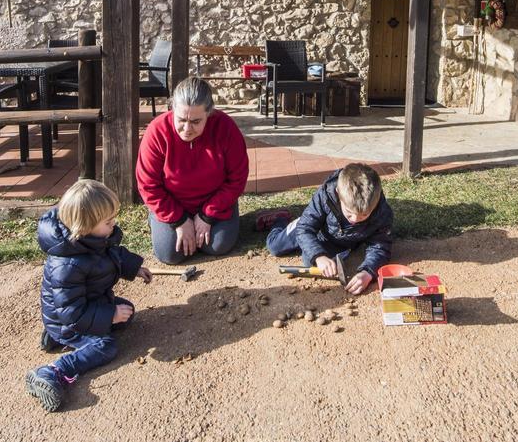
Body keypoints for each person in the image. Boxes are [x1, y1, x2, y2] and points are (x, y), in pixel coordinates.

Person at [27, 180, 152, 413]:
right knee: (106, 346)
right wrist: (109, 315)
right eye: (108, 221)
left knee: (127, 312)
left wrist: (133, 268)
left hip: (87, 304)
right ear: (84, 226)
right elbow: (72, 313)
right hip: (70, 320)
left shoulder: (94, 240)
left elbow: (113, 254)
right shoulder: (67, 265)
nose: (114, 225)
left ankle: (58, 339)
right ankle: (55, 370)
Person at [135, 76, 250, 265]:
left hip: (213, 201)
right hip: (173, 202)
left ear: (209, 113)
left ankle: (217, 219)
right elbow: (148, 184)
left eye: (196, 121)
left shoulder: (226, 127)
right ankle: (158, 219)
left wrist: (207, 215)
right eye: (181, 120)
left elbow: (237, 178)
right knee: (170, 254)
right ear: (172, 109)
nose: (187, 129)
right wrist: (179, 220)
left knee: (218, 246)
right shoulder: (157, 131)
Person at [262, 163, 394, 296]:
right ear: (338, 194)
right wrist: (319, 256)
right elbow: (305, 229)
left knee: (309, 261)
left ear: (375, 203)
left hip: (343, 237)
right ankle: (280, 218)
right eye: (349, 213)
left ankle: (334, 246)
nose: (354, 219)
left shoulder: (383, 212)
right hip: (317, 228)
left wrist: (368, 273)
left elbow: (381, 246)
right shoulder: (326, 195)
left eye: (364, 215)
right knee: (275, 246)